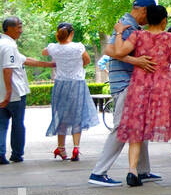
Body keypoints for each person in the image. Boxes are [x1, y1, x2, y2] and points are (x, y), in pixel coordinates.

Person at [112, 5, 171, 186]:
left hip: (139, 86)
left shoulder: (138, 35)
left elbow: (119, 52)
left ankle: (132, 171)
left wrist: (119, 33)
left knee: (136, 128)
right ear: (164, 20)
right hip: (162, 87)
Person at [89, 0, 161, 186]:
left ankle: (143, 170)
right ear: (144, 10)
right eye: (149, 14)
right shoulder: (127, 25)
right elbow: (110, 50)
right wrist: (136, 61)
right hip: (124, 84)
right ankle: (98, 172)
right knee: (121, 127)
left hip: (132, 83)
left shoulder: (133, 27)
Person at [0, 18, 56, 164]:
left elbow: (25, 60)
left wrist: (50, 64)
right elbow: (7, 69)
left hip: (3, 93)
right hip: (14, 93)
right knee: (17, 124)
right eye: (19, 27)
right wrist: (8, 92)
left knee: (1, 125)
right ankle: (17, 154)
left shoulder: (5, 44)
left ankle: (0, 153)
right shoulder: (8, 46)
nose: (21, 30)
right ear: (9, 28)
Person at [42, 23, 98, 161]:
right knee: (77, 115)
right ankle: (76, 148)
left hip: (61, 84)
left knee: (60, 115)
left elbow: (44, 52)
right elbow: (87, 60)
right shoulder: (78, 47)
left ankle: (61, 148)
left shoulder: (53, 48)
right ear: (71, 33)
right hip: (77, 84)